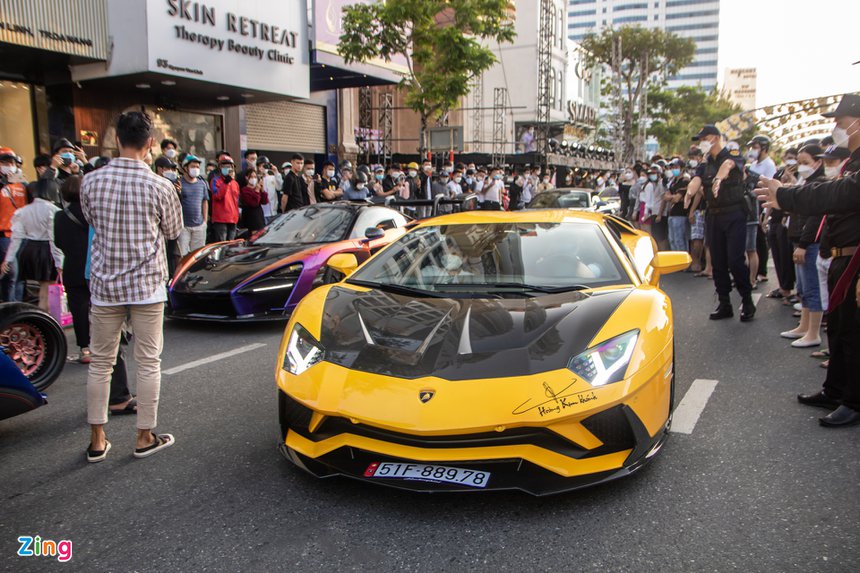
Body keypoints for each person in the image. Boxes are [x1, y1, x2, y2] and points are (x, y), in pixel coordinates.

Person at [80, 110, 183, 461]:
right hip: (147, 286)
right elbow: (172, 232)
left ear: (117, 141)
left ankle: (97, 441)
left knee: (100, 364)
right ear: (150, 143)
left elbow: (91, 220)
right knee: (148, 362)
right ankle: (143, 437)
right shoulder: (161, 185)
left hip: (105, 285)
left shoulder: (91, 181)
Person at [754, 93, 860, 427]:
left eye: (841, 121)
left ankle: (854, 401)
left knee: (855, 334)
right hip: (841, 256)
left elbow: (836, 195)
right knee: (840, 329)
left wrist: (785, 195)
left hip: (856, 259)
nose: (837, 127)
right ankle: (836, 390)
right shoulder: (852, 163)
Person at [685, 124, 756, 322]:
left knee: (735, 260)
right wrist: (690, 192)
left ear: (715, 137)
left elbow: (728, 166)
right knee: (717, 262)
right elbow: (697, 179)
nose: (702, 142)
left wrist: (718, 180)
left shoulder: (732, 154)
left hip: (734, 214)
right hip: (714, 216)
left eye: (704, 138)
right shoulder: (704, 162)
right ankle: (724, 303)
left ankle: (747, 300)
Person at [780, 144, 825, 348]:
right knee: (805, 288)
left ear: (818, 162)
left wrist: (805, 244)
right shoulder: (806, 181)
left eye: (805, 163)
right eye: (799, 163)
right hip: (800, 239)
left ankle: (813, 332)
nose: (801, 167)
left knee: (813, 288)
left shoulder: (820, 184)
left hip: (811, 243)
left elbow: (815, 218)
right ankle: (803, 326)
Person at [1, 178, 62, 311]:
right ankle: (48, 323)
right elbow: (53, 239)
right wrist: (59, 262)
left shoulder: (23, 211)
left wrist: (8, 259)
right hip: (47, 250)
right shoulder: (53, 210)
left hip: (30, 249)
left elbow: (16, 237)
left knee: (43, 289)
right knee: (48, 291)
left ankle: (42, 321)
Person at [0, 147, 27, 301]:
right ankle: (10, 313)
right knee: (11, 274)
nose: (9, 165)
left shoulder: (23, 185)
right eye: (4, 162)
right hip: (5, 236)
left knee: (20, 276)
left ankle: (20, 311)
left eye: (11, 162)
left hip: (23, 235)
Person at [177, 154, 208, 256]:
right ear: (185, 168)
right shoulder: (179, 183)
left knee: (198, 255)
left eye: (197, 167)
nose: (196, 169)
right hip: (183, 226)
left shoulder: (202, 183)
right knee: (183, 255)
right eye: (193, 166)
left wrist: (204, 221)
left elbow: (205, 201)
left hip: (199, 226)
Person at [210, 155, 240, 242]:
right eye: (224, 166)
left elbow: (236, 201)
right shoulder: (215, 181)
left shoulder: (235, 183)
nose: (227, 168)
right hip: (220, 219)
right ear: (220, 167)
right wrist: (226, 183)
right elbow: (217, 196)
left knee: (231, 245)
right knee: (222, 244)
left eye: (229, 166)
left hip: (233, 218)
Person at [665, 159, 691, 252]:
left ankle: (684, 265)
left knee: (680, 241)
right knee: (672, 240)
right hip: (672, 214)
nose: (673, 170)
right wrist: (673, 197)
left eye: (676, 167)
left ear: (682, 168)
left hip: (680, 214)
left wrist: (672, 197)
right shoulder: (673, 181)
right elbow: (665, 196)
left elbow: (677, 198)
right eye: (672, 168)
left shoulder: (685, 180)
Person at [239, 168, 269, 232]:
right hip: (251, 218)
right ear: (247, 178)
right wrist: (257, 191)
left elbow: (265, 201)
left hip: (259, 217)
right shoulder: (245, 190)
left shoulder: (257, 188)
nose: (253, 179)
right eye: (251, 177)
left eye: (255, 177)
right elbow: (254, 203)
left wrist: (262, 190)